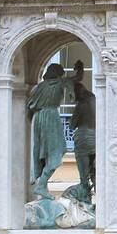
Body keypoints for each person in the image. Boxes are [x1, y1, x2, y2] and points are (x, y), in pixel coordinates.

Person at [27, 63, 71, 201]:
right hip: (51, 117)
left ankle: (42, 184)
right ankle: (41, 185)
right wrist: (79, 69)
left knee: (49, 154)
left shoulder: (39, 87)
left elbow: (29, 106)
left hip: (39, 118)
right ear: (58, 74)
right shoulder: (59, 83)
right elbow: (75, 79)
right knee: (56, 156)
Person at [69, 60, 95, 203]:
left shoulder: (81, 104)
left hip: (83, 138)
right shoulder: (94, 99)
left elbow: (72, 124)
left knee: (84, 175)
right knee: (95, 172)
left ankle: (86, 201)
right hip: (96, 138)